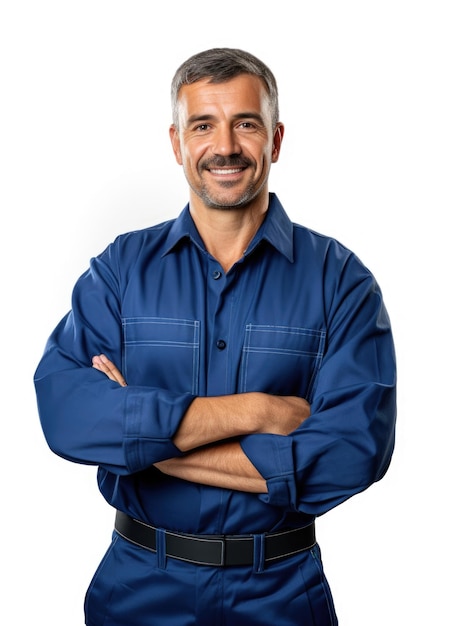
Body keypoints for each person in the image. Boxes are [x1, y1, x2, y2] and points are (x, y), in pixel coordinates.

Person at [34, 47, 396, 626]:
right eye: (203, 125)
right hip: (138, 588)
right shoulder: (120, 271)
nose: (224, 146)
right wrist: (259, 411)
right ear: (177, 143)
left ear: (275, 140)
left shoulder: (340, 281)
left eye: (245, 124)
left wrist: (145, 446)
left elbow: (352, 453)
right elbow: (67, 414)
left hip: (281, 592)